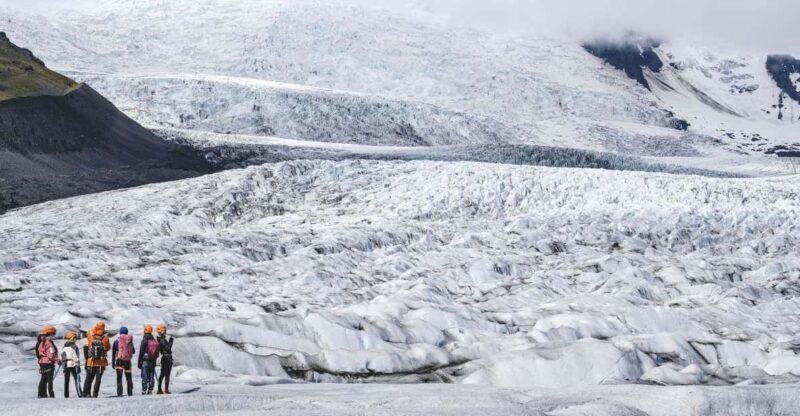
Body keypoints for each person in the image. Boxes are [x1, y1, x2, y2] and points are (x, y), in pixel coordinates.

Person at [82, 321, 111, 398]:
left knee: (88, 378)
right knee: (98, 380)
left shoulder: (90, 334)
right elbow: (108, 348)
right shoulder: (106, 338)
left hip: (91, 361)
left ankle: (85, 393)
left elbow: (87, 345)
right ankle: (95, 394)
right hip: (101, 362)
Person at [35, 325, 60, 398]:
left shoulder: (41, 342)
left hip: (42, 363)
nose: (54, 335)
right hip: (49, 363)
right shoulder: (49, 343)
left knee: (43, 379)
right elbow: (51, 355)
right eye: (53, 334)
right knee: (49, 380)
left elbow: (39, 353)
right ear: (50, 333)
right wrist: (57, 360)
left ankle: (40, 394)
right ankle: (51, 394)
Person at [112, 326, 135, 397]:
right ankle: (130, 392)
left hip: (119, 361)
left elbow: (113, 353)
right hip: (128, 361)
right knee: (128, 377)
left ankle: (119, 393)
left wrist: (113, 363)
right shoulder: (130, 341)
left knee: (119, 378)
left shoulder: (117, 341)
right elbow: (133, 351)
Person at [138, 324, 159, 395]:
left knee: (145, 375)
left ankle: (144, 390)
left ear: (145, 331)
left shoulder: (144, 340)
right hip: (152, 360)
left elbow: (141, 352)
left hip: (145, 360)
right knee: (151, 375)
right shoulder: (153, 340)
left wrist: (139, 362)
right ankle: (150, 390)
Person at [61, 331, 82, 398]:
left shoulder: (64, 346)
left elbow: (63, 357)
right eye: (75, 338)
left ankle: (66, 395)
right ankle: (80, 394)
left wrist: (63, 367)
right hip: (73, 365)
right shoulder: (75, 346)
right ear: (72, 338)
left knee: (66, 381)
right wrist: (78, 365)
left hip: (66, 365)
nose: (76, 339)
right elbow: (77, 356)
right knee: (77, 380)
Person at [156, 324, 174, 394]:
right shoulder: (162, 340)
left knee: (163, 374)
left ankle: (161, 389)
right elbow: (168, 348)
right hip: (167, 358)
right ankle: (164, 389)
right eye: (165, 330)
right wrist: (171, 341)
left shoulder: (160, 339)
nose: (166, 332)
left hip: (165, 358)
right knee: (165, 375)